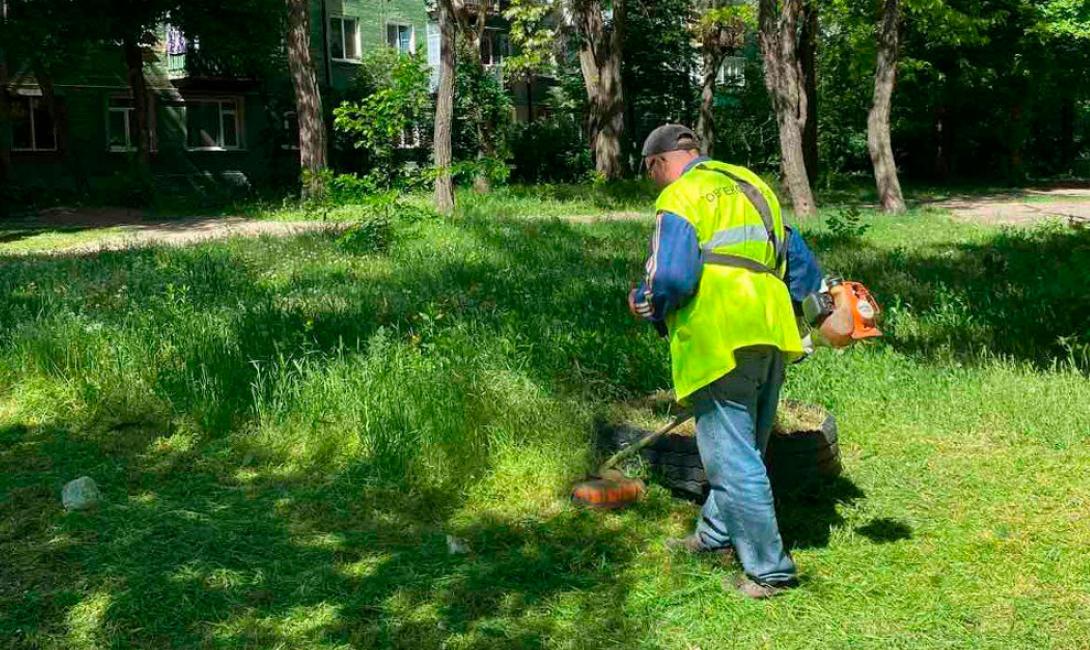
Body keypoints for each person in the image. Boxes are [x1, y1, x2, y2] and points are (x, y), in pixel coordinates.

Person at [629, 124, 822, 599]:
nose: (654, 183)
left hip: (719, 335)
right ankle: (715, 536)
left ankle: (770, 571)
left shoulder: (681, 195)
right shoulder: (751, 184)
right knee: (745, 448)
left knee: (732, 460)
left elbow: (672, 276)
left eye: (649, 173)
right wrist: (818, 310)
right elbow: (797, 259)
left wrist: (648, 302)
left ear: (658, 163)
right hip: (772, 329)